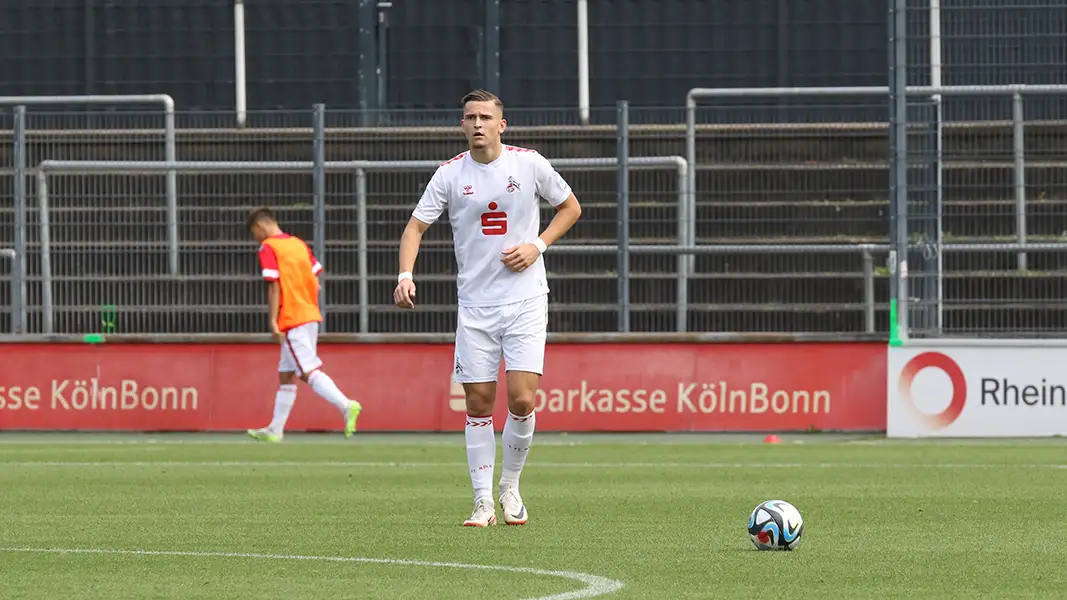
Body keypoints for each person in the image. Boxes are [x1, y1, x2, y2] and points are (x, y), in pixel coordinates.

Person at [393, 90, 582, 526]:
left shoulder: (529, 163)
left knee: (522, 398)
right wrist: (406, 276)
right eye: (469, 117)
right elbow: (414, 228)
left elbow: (570, 207)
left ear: (502, 124)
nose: (477, 123)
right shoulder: (449, 175)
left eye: (485, 117)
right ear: (462, 125)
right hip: (475, 306)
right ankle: (481, 502)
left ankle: (510, 488)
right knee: (478, 404)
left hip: (526, 300)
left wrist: (537, 245)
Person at [245, 207, 362, 442]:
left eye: (253, 233)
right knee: (286, 374)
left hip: (292, 316)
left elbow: (274, 285)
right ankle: (275, 429)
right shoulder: (298, 244)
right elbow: (316, 281)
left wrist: (273, 320)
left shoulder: (269, 247)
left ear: (260, 226)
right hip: (309, 313)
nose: (255, 238)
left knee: (307, 371)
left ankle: (345, 405)